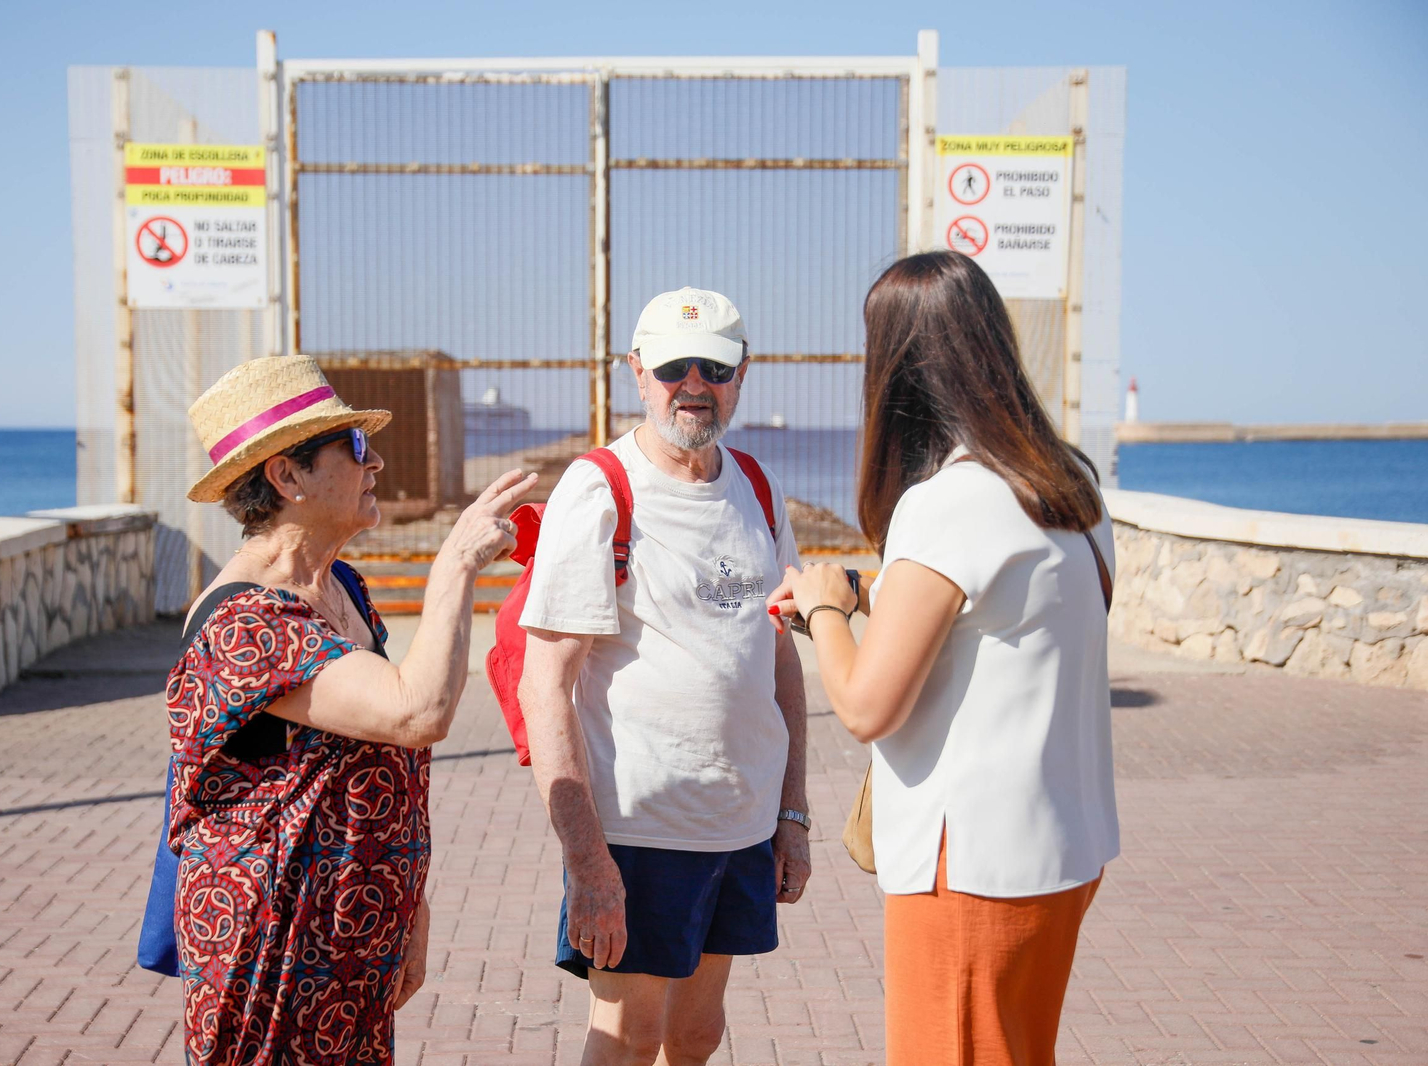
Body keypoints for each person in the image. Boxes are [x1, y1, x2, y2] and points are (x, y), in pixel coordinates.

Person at [768, 251, 1119, 1066]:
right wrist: (869, 594)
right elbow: (1008, 623)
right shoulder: (1069, 486)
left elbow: (866, 706)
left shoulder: (948, 503)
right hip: (1062, 845)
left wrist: (824, 607)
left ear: (897, 368)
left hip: (971, 868)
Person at [169, 355, 535, 1065]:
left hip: (352, 925)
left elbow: (386, 755)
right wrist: (455, 566)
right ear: (287, 476)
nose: (377, 463)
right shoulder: (245, 623)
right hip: (274, 939)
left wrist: (407, 905)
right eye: (356, 447)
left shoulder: (341, 585)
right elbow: (416, 712)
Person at [517, 287, 811, 1066]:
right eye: (675, 366)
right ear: (638, 371)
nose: (694, 384)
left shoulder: (757, 486)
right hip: (642, 829)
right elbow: (543, 684)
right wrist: (587, 861)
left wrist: (792, 813)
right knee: (628, 1038)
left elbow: (779, 655)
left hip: (743, 824)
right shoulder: (601, 488)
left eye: (714, 366)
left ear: (743, 372)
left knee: (695, 1035)